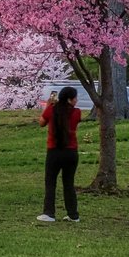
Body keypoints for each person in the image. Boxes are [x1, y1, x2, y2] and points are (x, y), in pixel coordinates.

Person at [37, 87, 81, 223]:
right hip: (71, 152)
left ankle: (49, 213)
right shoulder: (77, 112)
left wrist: (49, 105)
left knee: (50, 182)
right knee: (68, 183)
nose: (76, 100)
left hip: (54, 151)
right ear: (69, 99)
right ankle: (73, 214)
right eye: (75, 98)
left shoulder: (52, 110)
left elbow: (41, 123)